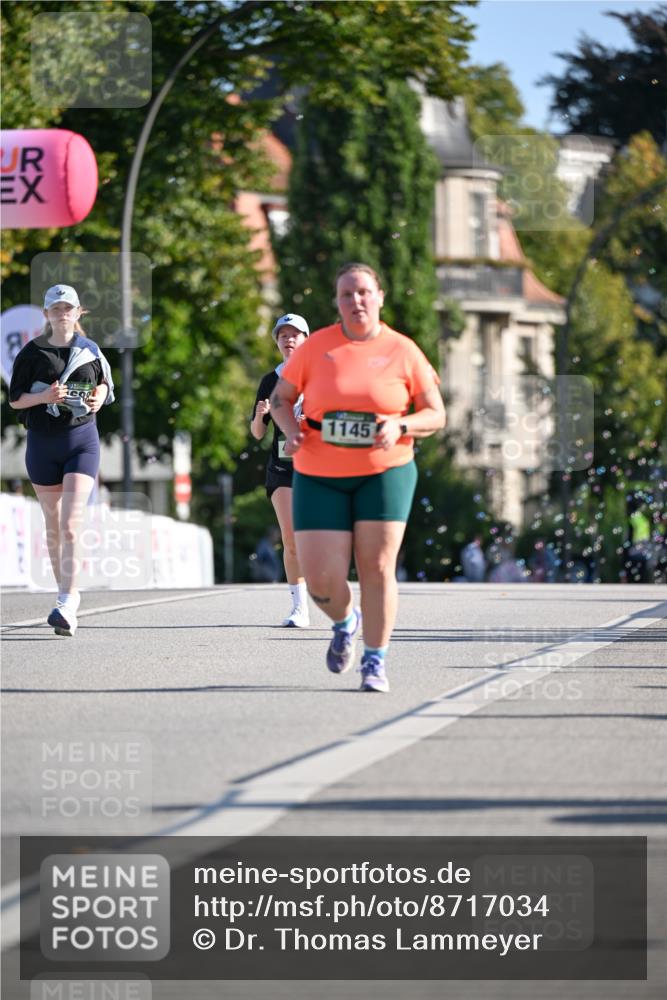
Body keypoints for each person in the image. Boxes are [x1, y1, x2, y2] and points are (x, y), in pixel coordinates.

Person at [270, 262, 445, 693]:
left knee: (378, 567)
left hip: (385, 471)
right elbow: (280, 400)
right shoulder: (315, 349)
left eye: (364, 292)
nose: (356, 301)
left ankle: (375, 660)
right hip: (318, 472)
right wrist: (292, 433)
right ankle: (346, 622)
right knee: (321, 582)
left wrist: (400, 426)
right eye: (346, 294)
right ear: (337, 302)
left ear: (380, 297)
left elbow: (435, 413)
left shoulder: (404, 350)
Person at [8, 284, 114, 636]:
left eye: (68, 308)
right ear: (46, 314)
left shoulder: (90, 350)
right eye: (56, 308)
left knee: (70, 523)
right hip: (41, 445)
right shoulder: (31, 353)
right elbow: (15, 401)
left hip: (81, 442)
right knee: (53, 527)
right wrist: (44, 397)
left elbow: (105, 386)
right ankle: (63, 593)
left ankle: (68, 602)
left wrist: (99, 395)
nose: (62, 313)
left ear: (78, 312)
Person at [250, 313, 310, 626]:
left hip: (317, 467)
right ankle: (299, 608)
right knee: (290, 537)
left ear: (305, 339)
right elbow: (257, 434)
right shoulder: (270, 380)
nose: (288, 340)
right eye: (282, 335)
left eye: (294, 334)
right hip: (282, 467)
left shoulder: (320, 376)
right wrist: (261, 416)